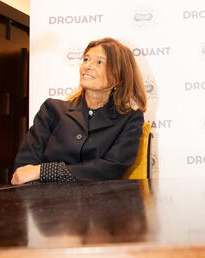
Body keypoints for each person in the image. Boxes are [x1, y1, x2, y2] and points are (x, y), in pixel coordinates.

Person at [11, 38, 147, 184]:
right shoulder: (51, 109)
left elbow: (111, 169)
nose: (87, 66)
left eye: (99, 62)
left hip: (100, 197)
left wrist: (44, 171)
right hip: (46, 196)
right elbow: (24, 168)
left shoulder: (130, 119)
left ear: (118, 76)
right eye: (86, 59)